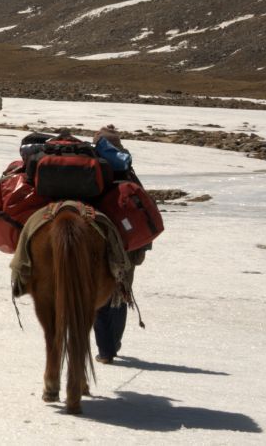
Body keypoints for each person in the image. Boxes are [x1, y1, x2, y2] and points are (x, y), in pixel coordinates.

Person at [90, 124, 149, 363]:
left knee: (99, 295)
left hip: (96, 237)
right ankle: (111, 345)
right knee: (121, 292)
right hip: (126, 243)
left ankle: (106, 350)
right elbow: (143, 211)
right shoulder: (127, 171)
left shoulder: (90, 169)